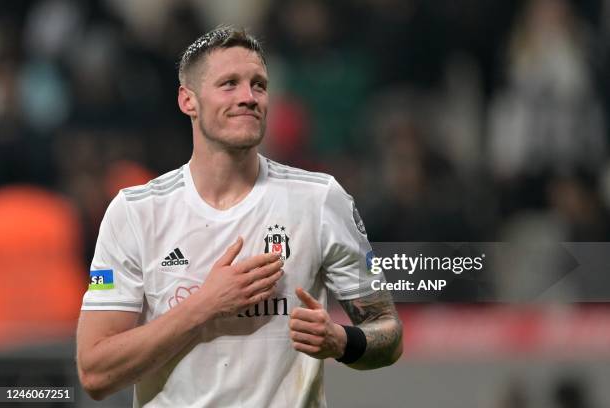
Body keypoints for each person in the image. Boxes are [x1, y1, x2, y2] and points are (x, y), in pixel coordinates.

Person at [76, 26, 402, 408]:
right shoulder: (136, 212)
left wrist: (342, 342)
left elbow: (389, 334)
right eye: (229, 84)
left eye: (259, 85)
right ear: (188, 100)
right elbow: (95, 373)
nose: (248, 97)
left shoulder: (319, 200)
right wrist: (206, 304)